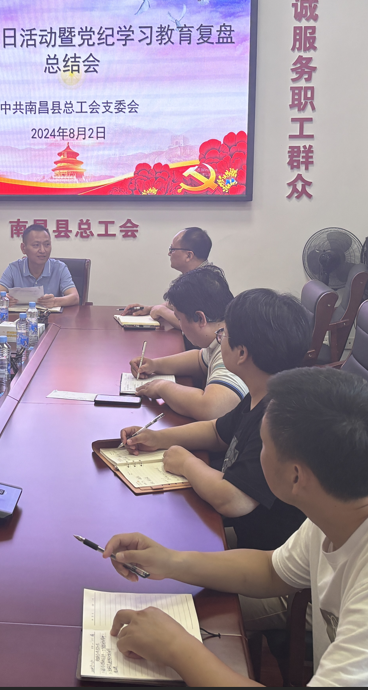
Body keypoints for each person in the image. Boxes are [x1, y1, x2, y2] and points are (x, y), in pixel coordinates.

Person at [103, 368, 368, 687]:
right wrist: (170, 561)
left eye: (262, 445)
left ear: (296, 476)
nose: (255, 455)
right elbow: (272, 570)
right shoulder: (350, 502)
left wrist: (178, 649)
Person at [120, 289, 310, 551]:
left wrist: (187, 463)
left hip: (264, 552)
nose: (218, 341)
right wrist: (157, 438)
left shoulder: (278, 419)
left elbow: (232, 499)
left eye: (223, 335)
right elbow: (217, 432)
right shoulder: (262, 391)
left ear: (241, 353)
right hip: (241, 534)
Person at [128, 266, 245, 420]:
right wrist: (154, 365)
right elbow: (199, 360)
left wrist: (162, 387)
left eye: (179, 318)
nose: (180, 326)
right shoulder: (223, 333)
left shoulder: (232, 347)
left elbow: (211, 408)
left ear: (200, 318)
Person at [124, 227, 218, 329]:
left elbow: (192, 324)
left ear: (189, 255)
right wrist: (149, 308)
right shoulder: (200, 274)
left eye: (172, 250)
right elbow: (182, 307)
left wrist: (161, 311)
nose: (169, 254)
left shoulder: (204, 281)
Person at [0, 224, 81, 309]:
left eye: (47, 244)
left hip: (52, 319)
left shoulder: (59, 268)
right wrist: (4, 299)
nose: (43, 250)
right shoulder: (14, 268)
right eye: (36, 245)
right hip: (20, 319)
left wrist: (55, 301)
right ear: (23, 248)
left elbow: (75, 297)